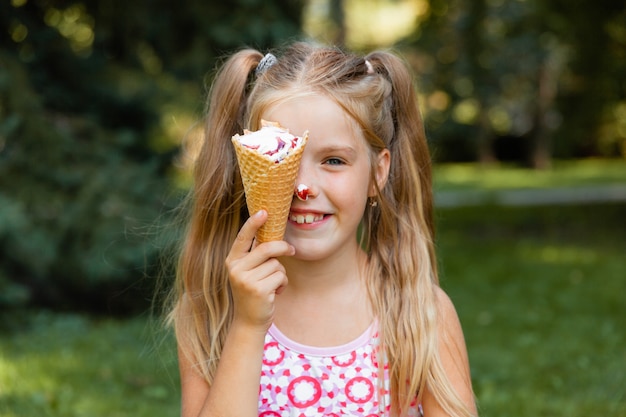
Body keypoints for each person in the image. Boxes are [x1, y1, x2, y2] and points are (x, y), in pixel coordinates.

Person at [167, 41, 477, 417]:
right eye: (279, 157)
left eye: (333, 160)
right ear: (249, 169)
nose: (303, 186)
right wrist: (247, 327)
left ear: (378, 173)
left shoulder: (422, 313)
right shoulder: (210, 310)